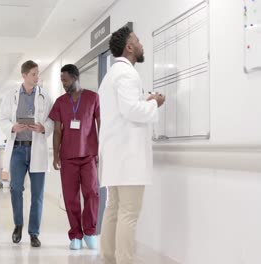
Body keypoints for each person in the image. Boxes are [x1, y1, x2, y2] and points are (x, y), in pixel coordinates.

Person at [98, 26, 166, 264]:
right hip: (128, 156)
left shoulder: (111, 75)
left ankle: (107, 258)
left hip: (116, 155)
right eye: (137, 40)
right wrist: (154, 103)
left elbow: (123, 109)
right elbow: (130, 110)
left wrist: (143, 102)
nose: (141, 43)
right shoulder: (127, 74)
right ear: (129, 47)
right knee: (128, 213)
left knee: (114, 209)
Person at [0, 60, 54, 247]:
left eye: (38, 74)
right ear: (24, 75)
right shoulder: (11, 96)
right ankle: (18, 225)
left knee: (37, 193)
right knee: (15, 188)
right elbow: (3, 119)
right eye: (34, 74)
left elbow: (52, 121)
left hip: (36, 147)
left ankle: (34, 232)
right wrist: (12, 127)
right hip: (18, 149)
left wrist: (43, 127)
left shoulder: (45, 96)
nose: (37, 77)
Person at [48, 64, 100, 250]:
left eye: (65, 79)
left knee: (92, 194)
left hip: (89, 155)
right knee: (71, 197)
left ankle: (90, 232)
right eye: (61, 80)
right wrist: (55, 156)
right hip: (68, 156)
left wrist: (101, 150)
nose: (63, 83)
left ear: (76, 77)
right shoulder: (61, 102)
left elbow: (100, 123)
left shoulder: (93, 97)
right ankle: (76, 235)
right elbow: (56, 131)